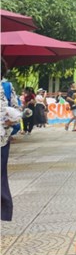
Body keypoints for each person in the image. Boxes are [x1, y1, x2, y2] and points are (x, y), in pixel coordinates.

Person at [1, 62, 22, 221]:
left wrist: (11, 120)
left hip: (1, 140)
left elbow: (17, 111)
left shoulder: (6, 87)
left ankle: (3, 210)